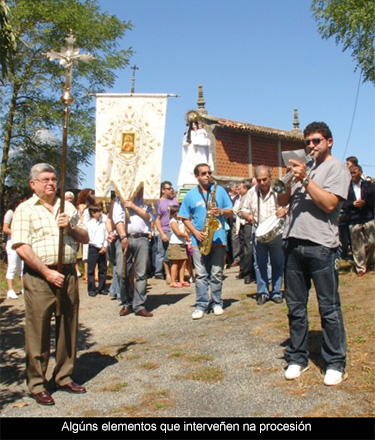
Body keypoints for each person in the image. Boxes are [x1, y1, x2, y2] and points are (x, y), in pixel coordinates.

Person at [278, 121, 351, 386]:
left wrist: (306, 180)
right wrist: (288, 181)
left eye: (316, 141)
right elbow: (282, 201)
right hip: (293, 243)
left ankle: (335, 362)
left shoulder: (337, 168)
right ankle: (297, 357)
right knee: (295, 308)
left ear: (329, 141)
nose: (311, 146)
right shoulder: (303, 169)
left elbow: (330, 204)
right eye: (307, 141)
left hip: (322, 246)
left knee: (329, 308)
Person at [11, 163, 89, 405]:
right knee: (39, 331)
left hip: (67, 275)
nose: (50, 183)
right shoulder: (25, 210)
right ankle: (37, 383)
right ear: (33, 184)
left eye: (54, 179)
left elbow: (86, 237)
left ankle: (64, 376)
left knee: (68, 327)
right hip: (39, 277)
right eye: (44, 179)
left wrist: (71, 226)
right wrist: (46, 273)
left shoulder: (67, 209)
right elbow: (21, 246)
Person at [178, 163, 233, 319]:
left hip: (218, 238)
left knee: (216, 273)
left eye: (209, 172)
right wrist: (195, 232)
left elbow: (230, 210)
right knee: (201, 275)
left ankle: (217, 303)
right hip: (199, 239)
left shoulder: (219, 191)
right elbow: (183, 217)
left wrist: (221, 211)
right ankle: (201, 305)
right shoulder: (190, 195)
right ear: (197, 176)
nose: (208, 175)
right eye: (204, 173)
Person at [246, 165, 287, 305]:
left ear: (270, 177)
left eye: (265, 179)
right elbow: (242, 210)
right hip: (258, 232)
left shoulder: (278, 189)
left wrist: (285, 210)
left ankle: (276, 292)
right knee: (259, 264)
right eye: (259, 180)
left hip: (276, 232)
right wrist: (248, 216)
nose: (262, 183)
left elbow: (290, 204)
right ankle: (262, 292)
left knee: (277, 263)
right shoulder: (251, 192)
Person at [113, 188, 155, 317]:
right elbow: (118, 219)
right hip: (125, 237)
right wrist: (123, 237)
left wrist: (133, 206)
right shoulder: (120, 199)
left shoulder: (149, 199)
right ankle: (126, 302)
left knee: (141, 273)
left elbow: (151, 217)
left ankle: (139, 305)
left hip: (142, 237)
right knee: (121, 272)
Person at [342, 164, 375, 276]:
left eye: (354, 173)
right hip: (353, 218)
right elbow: (341, 202)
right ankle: (360, 267)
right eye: (351, 173)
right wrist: (352, 204)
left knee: (372, 242)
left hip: (368, 217)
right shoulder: (346, 187)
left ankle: (366, 262)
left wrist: (365, 202)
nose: (352, 175)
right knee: (357, 245)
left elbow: (373, 199)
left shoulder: (368, 185)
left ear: (360, 173)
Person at [154, 181, 179, 282]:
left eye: (171, 188)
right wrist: (162, 233)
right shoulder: (159, 202)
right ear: (163, 190)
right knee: (161, 252)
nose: (171, 190)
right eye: (168, 188)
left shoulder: (175, 201)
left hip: (175, 230)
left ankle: (172, 273)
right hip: (165, 230)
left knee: (171, 253)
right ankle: (158, 272)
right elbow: (157, 219)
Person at [177, 121, 214, 187]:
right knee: (190, 166)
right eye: (193, 125)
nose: (194, 126)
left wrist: (197, 141)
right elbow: (185, 142)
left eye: (195, 125)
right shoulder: (189, 133)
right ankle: (191, 179)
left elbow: (206, 142)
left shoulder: (202, 132)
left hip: (200, 153)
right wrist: (186, 143)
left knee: (200, 164)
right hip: (191, 152)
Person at [3, 193, 25, 299]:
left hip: (21, 242)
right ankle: (10, 289)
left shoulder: (21, 213)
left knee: (22, 266)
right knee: (12, 266)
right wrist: (16, 232)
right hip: (12, 243)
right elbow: (5, 228)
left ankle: (23, 287)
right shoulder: (10, 213)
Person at [235, 180, 256, 284]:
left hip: (248, 224)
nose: (239, 190)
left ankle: (249, 273)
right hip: (242, 225)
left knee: (248, 250)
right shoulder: (241, 198)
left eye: (241, 188)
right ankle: (243, 270)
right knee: (242, 249)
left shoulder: (250, 196)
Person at [87, 203, 108, 296]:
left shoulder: (103, 224)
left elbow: (106, 235)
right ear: (92, 213)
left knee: (102, 269)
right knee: (91, 269)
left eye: (101, 211)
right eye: (98, 211)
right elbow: (90, 238)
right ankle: (91, 289)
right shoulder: (89, 224)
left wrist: (105, 246)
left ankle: (102, 287)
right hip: (93, 248)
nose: (100, 213)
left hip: (102, 248)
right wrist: (99, 246)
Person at [168, 205, 191, 287]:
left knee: (183, 262)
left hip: (182, 243)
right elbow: (178, 232)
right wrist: (187, 237)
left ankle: (181, 280)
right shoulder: (173, 221)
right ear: (175, 213)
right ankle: (173, 281)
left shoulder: (181, 221)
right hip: (175, 243)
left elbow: (186, 229)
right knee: (175, 263)